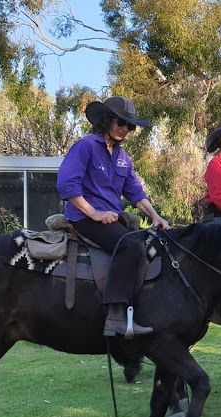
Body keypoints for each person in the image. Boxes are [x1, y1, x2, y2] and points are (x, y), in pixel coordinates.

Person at [56, 96, 170, 338]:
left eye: (131, 126)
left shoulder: (123, 159)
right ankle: (116, 317)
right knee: (130, 246)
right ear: (106, 120)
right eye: (121, 122)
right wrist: (95, 213)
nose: (125, 129)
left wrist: (156, 216)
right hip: (84, 218)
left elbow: (135, 193)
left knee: (150, 244)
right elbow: (67, 185)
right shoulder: (85, 146)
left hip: (112, 219)